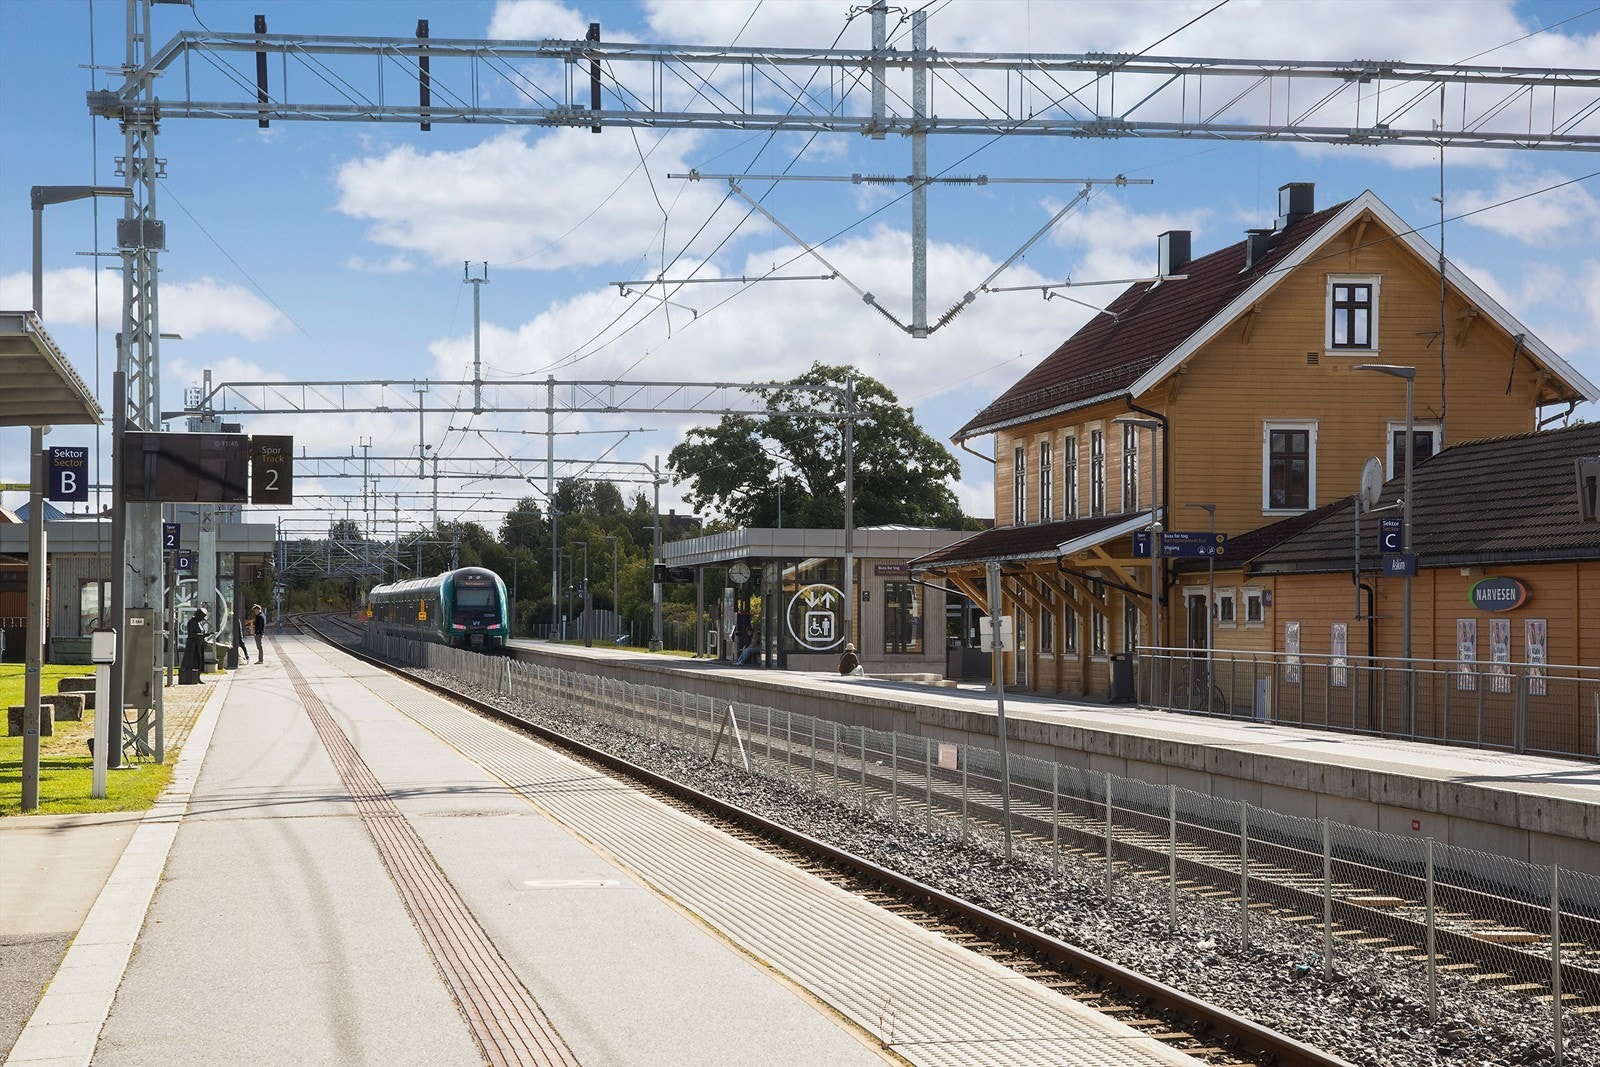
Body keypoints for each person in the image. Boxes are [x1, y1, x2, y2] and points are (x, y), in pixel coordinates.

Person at [180, 606, 210, 685]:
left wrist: (204, 636)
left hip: (199, 644)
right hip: (193, 646)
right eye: (202, 617)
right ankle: (189, 677)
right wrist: (202, 636)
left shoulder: (199, 622)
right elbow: (191, 634)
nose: (203, 619)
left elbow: (201, 632)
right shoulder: (192, 622)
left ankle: (198, 677)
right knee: (192, 661)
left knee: (199, 661)